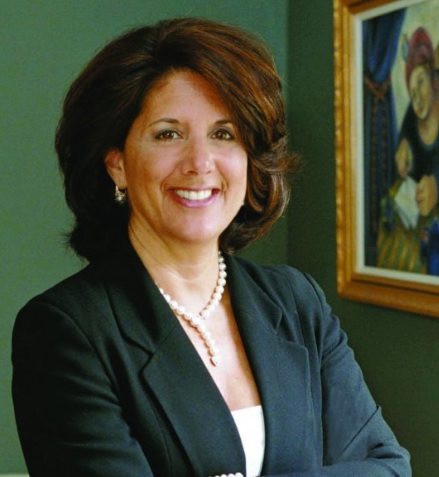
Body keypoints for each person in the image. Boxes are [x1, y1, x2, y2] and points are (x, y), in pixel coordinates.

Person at [12, 17, 411, 477]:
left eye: (224, 134)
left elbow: (389, 467)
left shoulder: (295, 299)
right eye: (168, 133)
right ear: (117, 164)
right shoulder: (67, 331)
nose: (200, 163)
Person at [395, 26, 439, 217]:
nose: (417, 99)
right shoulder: (413, 114)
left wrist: (437, 185)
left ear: (433, 78)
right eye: (412, 94)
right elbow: (404, 137)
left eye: (420, 82)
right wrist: (403, 144)